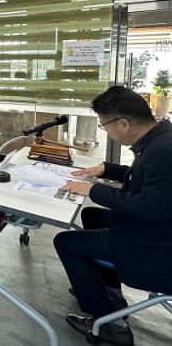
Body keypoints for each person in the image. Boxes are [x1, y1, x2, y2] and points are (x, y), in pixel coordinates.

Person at [53, 86, 172, 346]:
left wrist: (93, 190)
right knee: (92, 216)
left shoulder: (163, 150)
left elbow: (153, 207)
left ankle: (110, 323)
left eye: (104, 126)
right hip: (156, 231)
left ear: (124, 124)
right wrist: (106, 169)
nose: (105, 131)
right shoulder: (160, 137)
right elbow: (145, 177)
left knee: (66, 242)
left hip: (158, 249)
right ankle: (111, 295)